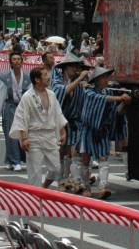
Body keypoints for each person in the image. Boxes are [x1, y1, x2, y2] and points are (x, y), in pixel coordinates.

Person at [80, 65, 132, 198]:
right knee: (86, 158)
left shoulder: (108, 92)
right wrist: (120, 98)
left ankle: (103, 187)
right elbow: (101, 100)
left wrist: (124, 102)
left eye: (106, 77)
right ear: (96, 80)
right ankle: (86, 186)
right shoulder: (89, 92)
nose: (106, 80)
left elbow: (115, 112)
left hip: (103, 129)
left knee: (104, 158)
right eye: (103, 77)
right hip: (88, 129)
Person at [9, 66, 67, 187]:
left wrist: (62, 131)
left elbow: (58, 114)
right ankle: (34, 198)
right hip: (33, 136)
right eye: (45, 75)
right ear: (37, 79)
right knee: (35, 171)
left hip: (50, 135)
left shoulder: (51, 94)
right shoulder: (28, 96)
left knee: (56, 168)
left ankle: (44, 186)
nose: (48, 77)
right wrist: (24, 138)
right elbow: (22, 117)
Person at [53, 53, 90, 192]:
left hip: (76, 122)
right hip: (60, 122)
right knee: (62, 152)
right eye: (73, 67)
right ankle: (61, 179)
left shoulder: (79, 84)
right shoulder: (57, 81)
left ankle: (74, 180)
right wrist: (80, 79)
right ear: (65, 68)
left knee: (74, 152)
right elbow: (64, 92)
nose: (76, 69)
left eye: (77, 67)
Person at [0, 50, 31, 172]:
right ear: (11, 63)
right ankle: (15, 161)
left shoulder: (27, 78)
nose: (17, 61)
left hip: (22, 107)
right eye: (14, 59)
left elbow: (31, 94)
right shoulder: (5, 78)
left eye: (19, 59)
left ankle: (9, 160)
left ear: (22, 62)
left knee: (22, 134)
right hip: (9, 107)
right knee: (11, 134)